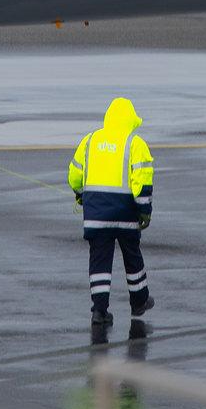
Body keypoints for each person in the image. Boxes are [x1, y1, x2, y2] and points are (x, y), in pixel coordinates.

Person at [68, 97, 154, 332]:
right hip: (126, 214)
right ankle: (139, 302)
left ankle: (99, 311)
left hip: (96, 215)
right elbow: (142, 182)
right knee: (132, 257)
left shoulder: (90, 141)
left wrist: (80, 195)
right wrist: (145, 211)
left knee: (99, 262)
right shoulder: (135, 144)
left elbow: (74, 175)